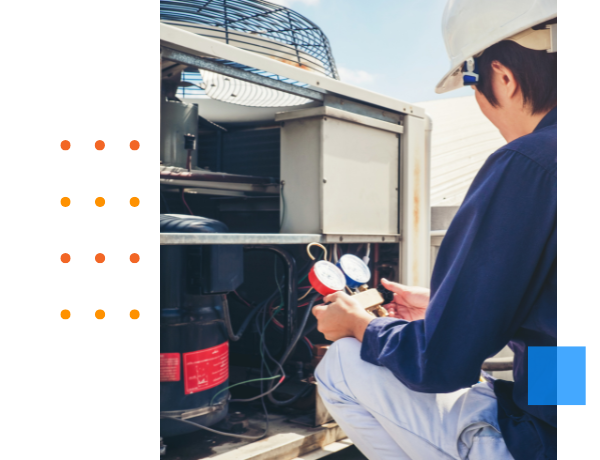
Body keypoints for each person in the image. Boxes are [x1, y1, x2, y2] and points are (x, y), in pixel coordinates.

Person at [312, 1, 557, 459]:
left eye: (472, 85)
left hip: (544, 444)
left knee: (342, 367)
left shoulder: (529, 162)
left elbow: (440, 365)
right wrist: (459, 311)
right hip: (566, 402)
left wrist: (361, 325)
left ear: (502, 76)